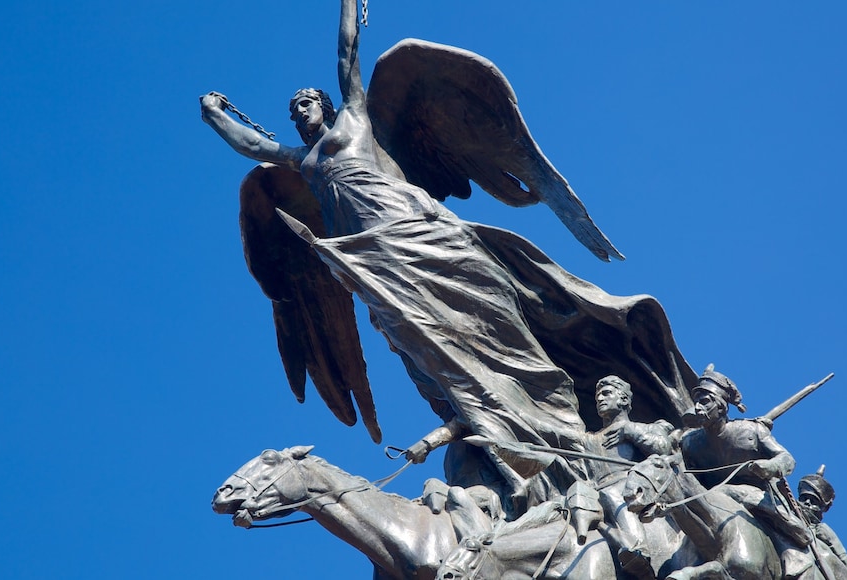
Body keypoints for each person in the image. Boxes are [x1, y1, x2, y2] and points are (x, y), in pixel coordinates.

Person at [201, 0, 695, 516]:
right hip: (380, 271)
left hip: (424, 240)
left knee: (495, 327)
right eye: (293, 111)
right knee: (430, 354)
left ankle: (558, 413)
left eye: (305, 104)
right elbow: (251, 142)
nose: (298, 113)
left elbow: (347, 54)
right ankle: (496, 436)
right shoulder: (301, 164)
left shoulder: (353, 121)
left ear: (324, 106)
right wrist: (215, 115)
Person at [679, 365, 812, 548]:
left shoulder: (751, 430)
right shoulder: (690, 443)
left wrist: (770, 467)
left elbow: (787, 459)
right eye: (696, 402)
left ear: (721, 407)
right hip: (710, 504)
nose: (697, 407)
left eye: (705, 402)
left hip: (760, 501)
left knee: (792, 548)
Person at [584, 375, 678, 579]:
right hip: (596, 490)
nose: (600, 398)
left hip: (634, 489)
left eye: (606, 393)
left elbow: (663, 449)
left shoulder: (647, 428)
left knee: (611, 494)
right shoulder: (590, 438)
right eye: (597, 395)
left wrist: (629, 430)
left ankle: (638, 550)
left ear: (624, 400)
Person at [798, 466, 847, 577]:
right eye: (804, 498)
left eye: (813, 501)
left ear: (821, 508)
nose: (807, 503)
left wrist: (829, 539)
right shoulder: (787, 512)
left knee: (826, 555)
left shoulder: (822, 529)